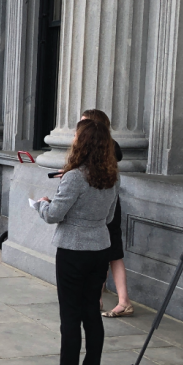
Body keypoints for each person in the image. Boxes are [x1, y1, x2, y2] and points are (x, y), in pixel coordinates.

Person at [36, 119, 119, 365]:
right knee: (92, 314)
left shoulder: (73, 177)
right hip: (99, 249)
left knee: (70, 316)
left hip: (73, 251)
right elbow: (108, 217)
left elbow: (52, 215)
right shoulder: (111, 176)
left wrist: (43, 204)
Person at [80, 109, 134, 318]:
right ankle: (109, 299)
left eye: (84, 123)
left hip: (104, 206)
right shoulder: (108, 147)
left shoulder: (107, 147)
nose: (80, 126)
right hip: (106, 204)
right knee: (110, 253)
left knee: (110, 253)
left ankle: (119, 300)